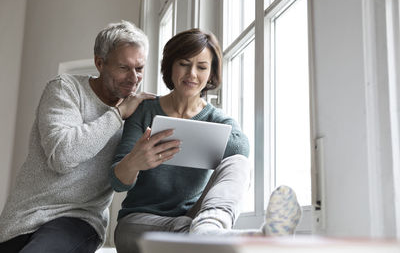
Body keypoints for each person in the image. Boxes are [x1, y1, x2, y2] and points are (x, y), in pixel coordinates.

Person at [109, 28, 302, 253]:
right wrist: (136, 161)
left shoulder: (219, 121)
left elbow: (242, 152)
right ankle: (244, 239)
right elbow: (117, 182)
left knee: (237, 162)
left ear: (210, 74)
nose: (192, 74)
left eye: (201, 67)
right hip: (139, 223)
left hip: (196, 219)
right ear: (170, 65)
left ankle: (210, 228)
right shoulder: (144, 111)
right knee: (189, 231)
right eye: (184, 63)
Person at [0, 20, 170, 253]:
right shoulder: (64, 89)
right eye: (123, 68)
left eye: (139, 68)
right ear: (99, 63)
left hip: (80, 220)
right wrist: (118, 113)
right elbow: (63, 157)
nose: (133, 78)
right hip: (21, 220)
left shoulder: (140, 113)